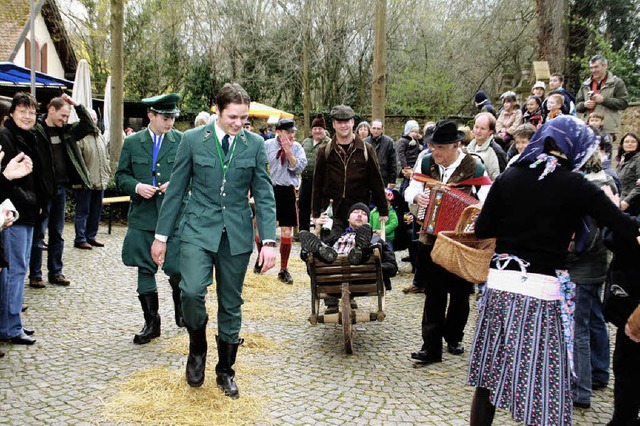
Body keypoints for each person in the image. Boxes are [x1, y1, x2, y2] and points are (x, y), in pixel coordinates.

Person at [467, 116, 639, 426]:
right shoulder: (576, 185)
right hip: (542, 295)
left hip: (500, 288)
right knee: (541, 380)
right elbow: (624, 229)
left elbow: (482, 229)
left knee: (489, 375)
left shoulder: (510, 176)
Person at [151, 83, 277, 398]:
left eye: (244, 118)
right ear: (217, 111)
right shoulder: (193, 140)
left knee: (231, 303)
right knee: (191, 291)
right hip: (197, 229)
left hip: (236, 235)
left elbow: (263, 195)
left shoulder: (255, 144)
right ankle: (197, 346)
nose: (239, 123)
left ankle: (226, 370)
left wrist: (270, 242)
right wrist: (161, 237)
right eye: (233, 116)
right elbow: (177, 190)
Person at [404, 119, 489, 365]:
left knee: (460, 293)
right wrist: (417, 196)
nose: (434, 152)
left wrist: (473, 219)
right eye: (432, 146)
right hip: (431, 237)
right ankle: (431, 347)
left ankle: (454, 336)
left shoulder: (474, 166)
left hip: (461, 241)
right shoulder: (426, 161)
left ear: (456, 145)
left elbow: (486, 199)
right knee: (433, 292)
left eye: (440, 147)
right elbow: (411, 189)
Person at [115, 93, 185, 344]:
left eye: (173, 118)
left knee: (176, 268)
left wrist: (176, 185)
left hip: (174, 217)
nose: (170, 123)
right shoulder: (133, 143)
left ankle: (181, 305)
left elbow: (195, 177)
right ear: (151, 116)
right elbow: (120, 176)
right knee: (145, 268)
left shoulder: (182, 141)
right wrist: (136, 187)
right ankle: (151, 323)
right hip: (143, 216)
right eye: (166, 118)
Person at [567, 152, 618, 409]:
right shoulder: (605, 183)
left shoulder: (590, 189)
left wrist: (568, 255)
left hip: (583, 268)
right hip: (596, 266)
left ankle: (581, 390)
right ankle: (599, 372)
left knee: (579, 330)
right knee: (593, 319)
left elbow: (587, 238)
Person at [29, 94, 95, 288]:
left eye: (67, 116)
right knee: (38, 234)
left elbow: (89, 126)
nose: (65, 120)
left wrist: (76, 105)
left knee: (57, 233)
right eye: (62, 115)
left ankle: (56, 272)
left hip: (60, 189)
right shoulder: (37, 131)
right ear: (51, 109)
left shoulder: (67, 132)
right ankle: (35, 274)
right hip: (42, 190)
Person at [312, 105, 388, 241]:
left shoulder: (366, 149)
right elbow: (317, 183)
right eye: (339, 122)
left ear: (352, 122)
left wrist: (383, 210)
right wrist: (316, 213)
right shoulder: (325, 150)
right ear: (333, 124)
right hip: (332, 210)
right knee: (329, 247)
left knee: (359, 251)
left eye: (346, 121)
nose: (343, 125)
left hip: (358, 210)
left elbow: (376, 181)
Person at [0, 92, 41, 345]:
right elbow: (8, 180)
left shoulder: (30, 137)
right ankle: (10, 327)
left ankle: (13, 322)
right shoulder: (6, 138)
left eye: (32, 112)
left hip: (27, 212)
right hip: (12, 213)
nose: (27, 116)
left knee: (19, 269)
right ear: (12, 113)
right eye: (23, 111)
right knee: (14, 271)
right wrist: (28, 201)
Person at [299, 202, 397, 304]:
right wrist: (317, 230)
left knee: (370, 248)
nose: (359, 215)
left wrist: (375, 267)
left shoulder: (376, 240)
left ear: (368, 221)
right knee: (312, 251)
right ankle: (323, 252)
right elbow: (306, 257)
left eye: (364, 214)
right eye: (355, 212)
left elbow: (392, 266)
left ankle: (360, 251)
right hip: (331, 273)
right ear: (348, 219)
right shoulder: (335, 237)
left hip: (361, 276)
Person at [264, 118, 307, 284]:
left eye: (293, 131)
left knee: (286, 232)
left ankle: (283, 268)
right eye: (288, 131)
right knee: (261, 227)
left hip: (287, 190)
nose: (292, 134)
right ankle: (261, 261)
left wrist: (288, 152)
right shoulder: (267, 145)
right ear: (278, 132)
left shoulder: (297, 147)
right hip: (269, 189)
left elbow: (299, 168)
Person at [73, 109, 111, 250]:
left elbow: (105, 157)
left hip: (100, 181)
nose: (93, 121)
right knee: (83, 211)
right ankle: (80, 238)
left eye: (95, 118)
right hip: (85, 183)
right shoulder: (80, 137)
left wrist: (106, 174)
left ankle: (91, 236)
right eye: (90, 118)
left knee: (96, 211)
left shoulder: (99, 135)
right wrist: (83, 178)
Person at [576, 54, 629, 139]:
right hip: (587, 127)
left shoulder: (617, 82)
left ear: (605, 66)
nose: (593, 70)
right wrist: (584, 105)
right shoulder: (585, 84)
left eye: (596, 67)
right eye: (591, 68)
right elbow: (577, 105)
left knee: (605, 151)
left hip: (607, 128)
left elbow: (624, 103)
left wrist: (603, 100)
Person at [299, 115, 330, 233]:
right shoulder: (306, 141)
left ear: (324, 130)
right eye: (315, 128)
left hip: (321, 182)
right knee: (303, 206)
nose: (317, 131)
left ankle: (322, 233)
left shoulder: (329, 143)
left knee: (321, 208)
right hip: (306, 180)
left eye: (320, 128)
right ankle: (303, 232)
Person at [466, 112, 507, 180]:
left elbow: (500, 180)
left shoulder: (497, 152)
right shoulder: (469, 147)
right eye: (476, 127)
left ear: (490, 131)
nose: (478, 131)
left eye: (482, 129)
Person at [365, 120, 397, 188]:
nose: (376, 131)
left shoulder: (389, 142)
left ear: (382, 130)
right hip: (367, 178)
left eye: (378, 128)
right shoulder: (364, 142)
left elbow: (392, 162)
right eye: (374, 128)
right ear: (370, 129)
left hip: (383, 178)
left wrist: (392, 180)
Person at [615, 132, 640, 214]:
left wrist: (627, 201)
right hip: (620, 201)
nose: (630, 144)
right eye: (626, 142)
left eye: (633, 142)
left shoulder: (638, 160)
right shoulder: (623, 160)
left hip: (633, 204)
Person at [396, 120, 423, 195]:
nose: (414, 134)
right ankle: (403, 195)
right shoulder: (402, 141)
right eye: (412, 131)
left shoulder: (417, 141)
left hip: (415, 165)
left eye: (416, 132)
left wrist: (421, 139)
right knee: (406, 183)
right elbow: (401, 154)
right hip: (408, 165)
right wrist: (405, 166)